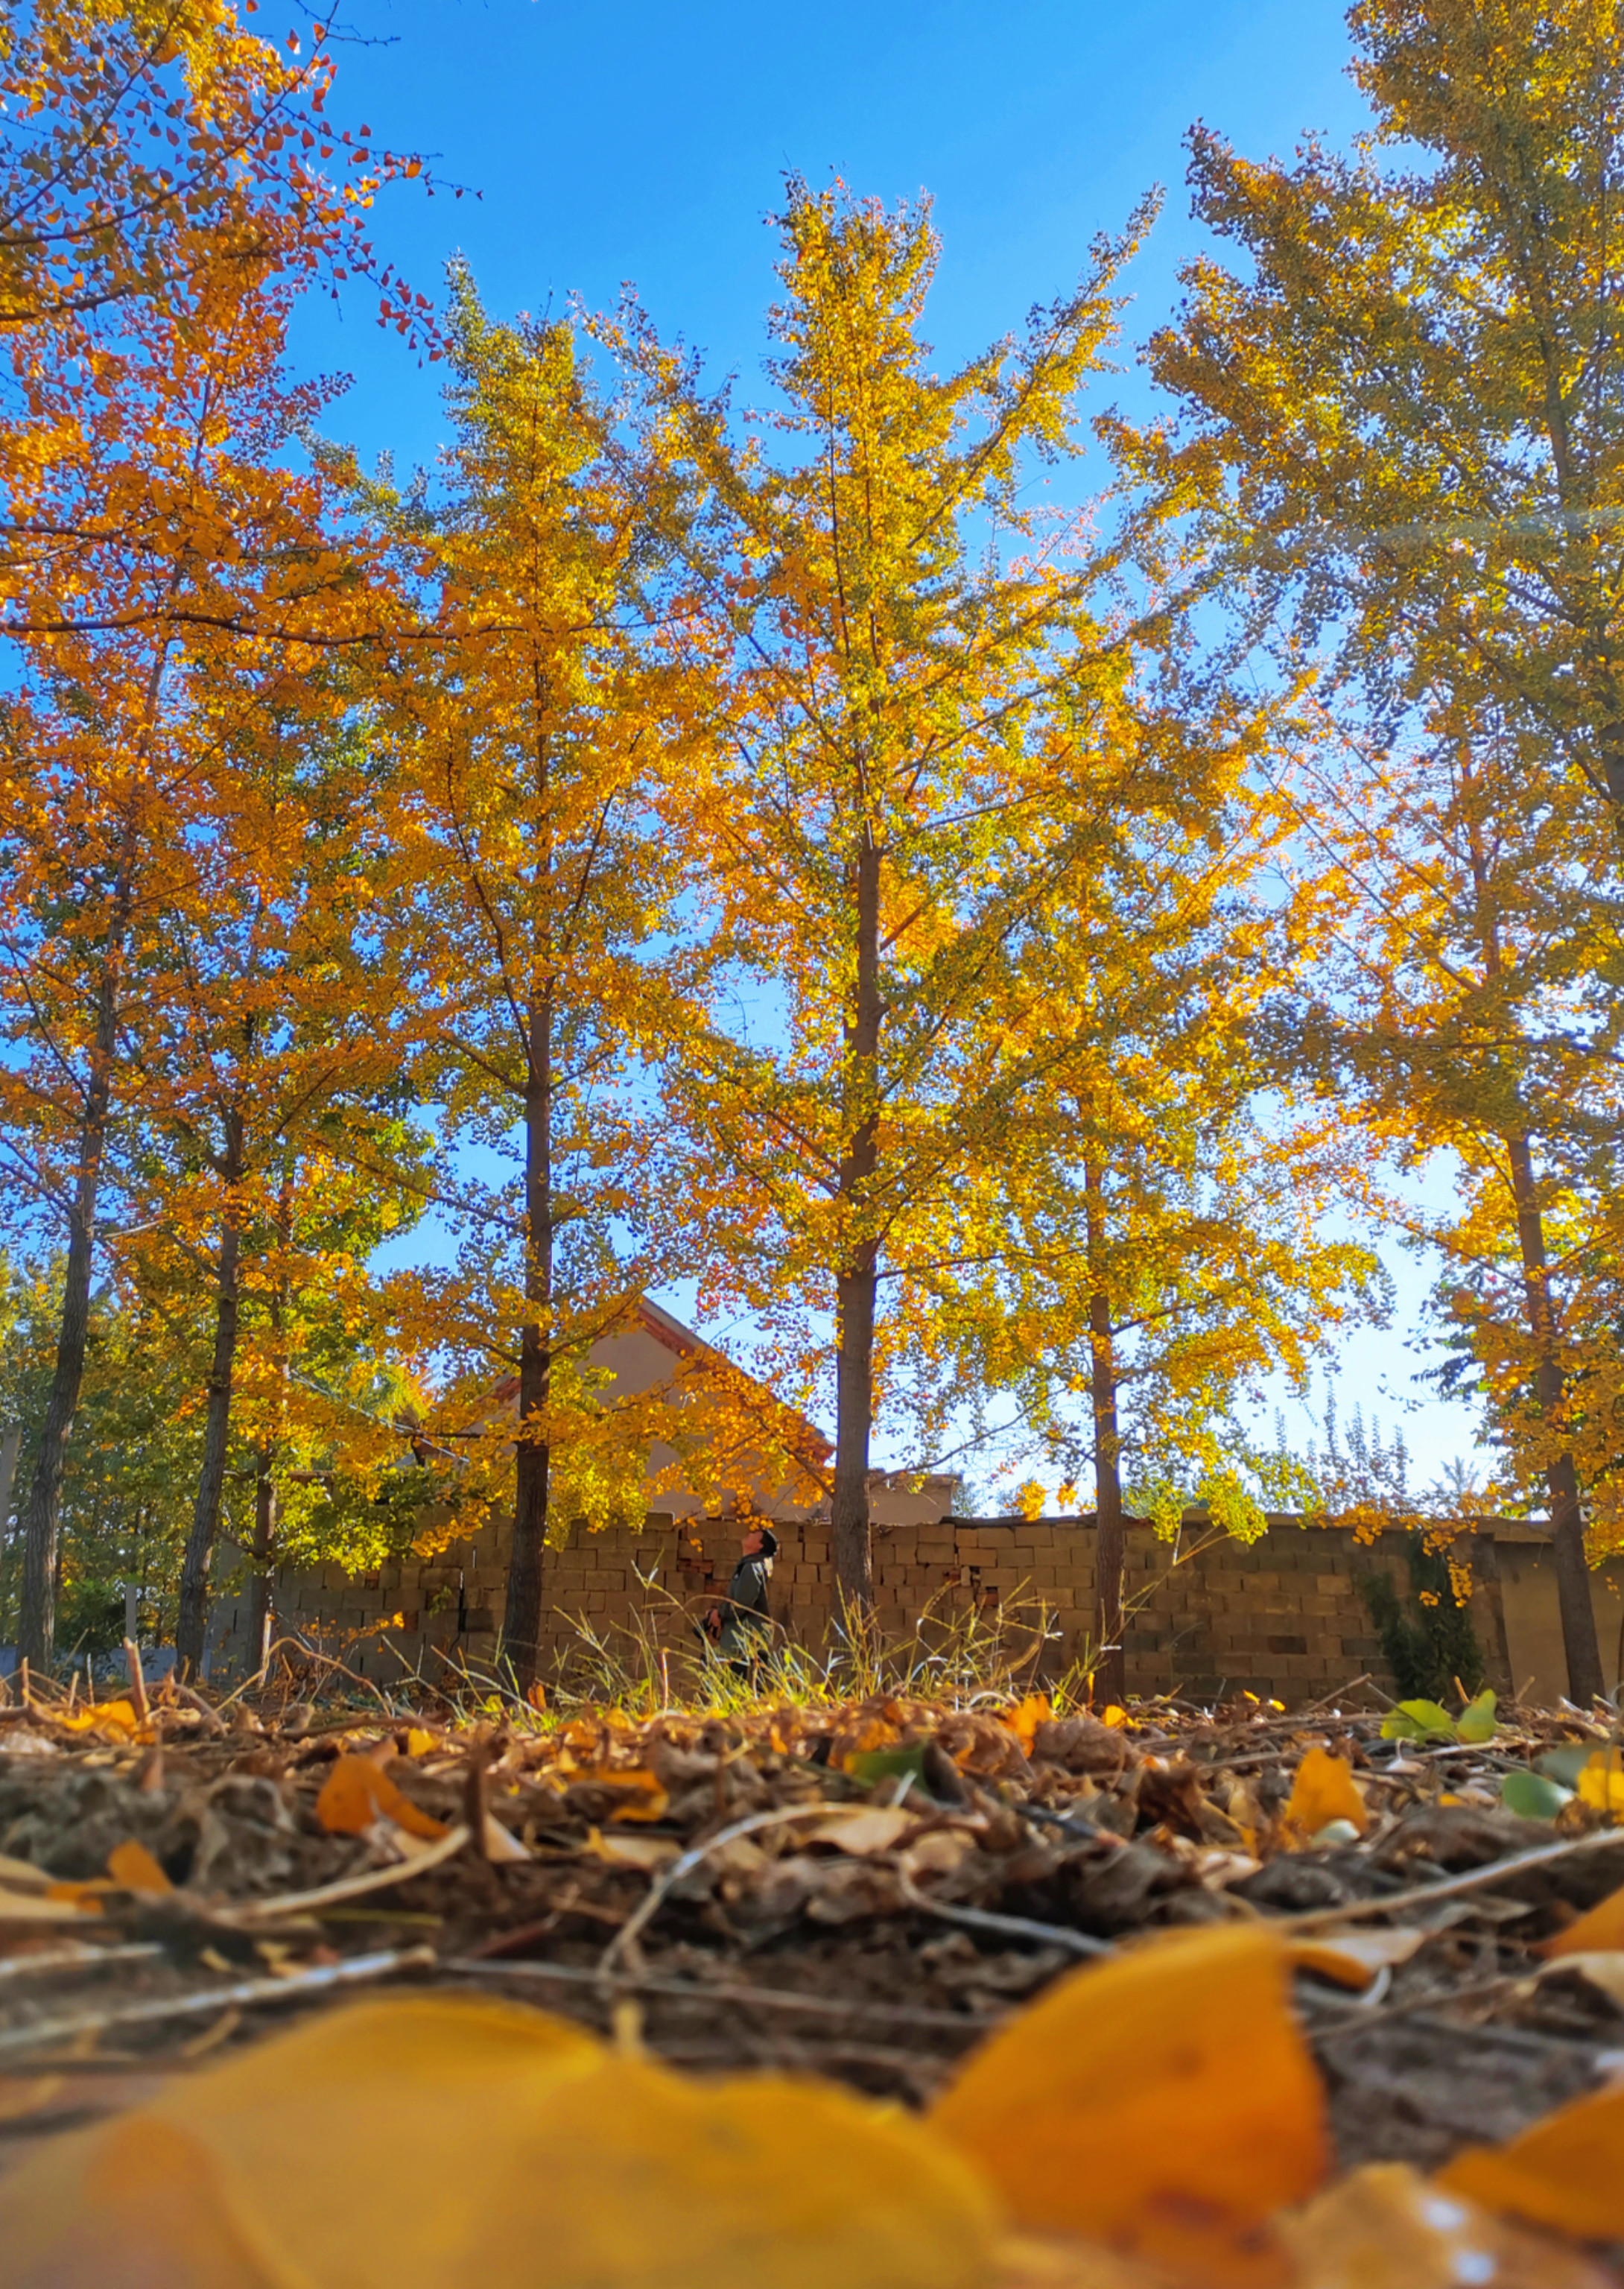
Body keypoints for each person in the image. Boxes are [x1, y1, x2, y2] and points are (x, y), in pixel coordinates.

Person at [702, 1519, 778, 1676]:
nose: (750, 1533)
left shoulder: (752, 1568)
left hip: (745, 1646)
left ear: (759, 1546)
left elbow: (742, 1606)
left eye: (755, 1534)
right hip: (741, 1645)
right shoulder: (748, 1566)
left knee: (742, 1692)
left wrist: (719, 1615)